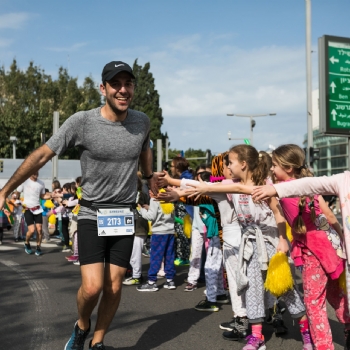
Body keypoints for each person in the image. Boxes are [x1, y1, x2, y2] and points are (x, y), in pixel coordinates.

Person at [0, 60, 157, 350]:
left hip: (124, 213)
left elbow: (145, 147)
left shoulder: (141, 121)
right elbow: (42, 156)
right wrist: (5, 189)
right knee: (93, 286)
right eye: (116, 84)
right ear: (103, 88)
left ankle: (98, 341)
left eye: (128, 84)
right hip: (91, 213)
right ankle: (83, 325)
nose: (123, 90)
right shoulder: (82, 122)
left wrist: (149, 177)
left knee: (114, 285)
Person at [185, 145, 310, 350]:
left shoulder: (266, 185)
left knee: (286, 289)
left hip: (270, 243)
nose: (227, 166)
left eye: (230, 162)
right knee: (252, 290)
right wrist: (172, 185)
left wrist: (282, 239)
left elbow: (279, 215)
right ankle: (256, 337)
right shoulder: (231, 184)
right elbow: (209, 186)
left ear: (243, 164)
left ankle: (307, 335)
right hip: (250, 245)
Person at [252, 145, 350, 349]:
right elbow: (330, 216)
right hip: (331, 247)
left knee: (314, 304)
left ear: (288, 168)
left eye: (275, 165)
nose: (272, 169)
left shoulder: (283, 191)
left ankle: (323, 346)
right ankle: (348, 326)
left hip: (313, 252)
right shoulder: (309, 186)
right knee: (334, 295)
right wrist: (342, 239)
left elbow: (243, 188)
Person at [16, 171, 52, 256]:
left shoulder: (41, 183)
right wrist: (17, 200)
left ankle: (38, 247)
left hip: (38, 209)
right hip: (27, 209)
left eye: (37, 173)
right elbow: (17, 193)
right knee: (31, 230)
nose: (36, 174)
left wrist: (51, 196)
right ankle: (27, 242)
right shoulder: (24, 182)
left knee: (39, 229)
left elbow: (42, 196)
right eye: (34, 172)